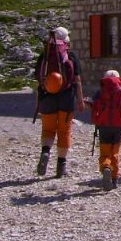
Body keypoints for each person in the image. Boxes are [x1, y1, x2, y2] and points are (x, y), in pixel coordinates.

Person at [34, 26, 84, 179]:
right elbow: (77, 80)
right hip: (67, 98)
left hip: (47, 97)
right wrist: (80, 100)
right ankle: (61, 165)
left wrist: (39, 103)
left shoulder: (44, 57)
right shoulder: (71, 55)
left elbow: (39, 81)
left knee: (48, 130)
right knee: (64, 131)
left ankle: (45, 152)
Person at [85, 69, 121, 191]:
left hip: (103, 126)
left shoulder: (100, 92)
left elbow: (93, 105)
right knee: (115, 152)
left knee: (105, 151)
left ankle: (106, 167)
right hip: (118, 126)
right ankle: (115, 179)